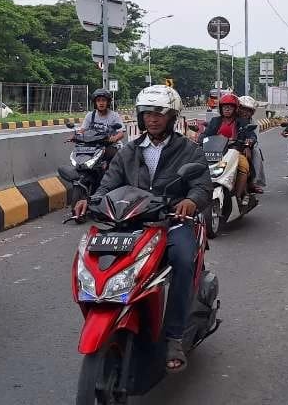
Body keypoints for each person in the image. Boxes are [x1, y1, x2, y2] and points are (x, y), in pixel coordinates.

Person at [72, 85, 211, 373]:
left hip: (172, 222)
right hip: (131, 223)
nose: (152, 119)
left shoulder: (189, 150)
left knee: (184, 261)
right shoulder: (129, 152)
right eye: (147, 113)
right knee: (95, 258)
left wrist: (189, 201)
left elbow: (201, 185)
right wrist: (90, 201)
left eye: (159, 113)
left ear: (172, 116)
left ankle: (173, 336)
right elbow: (108, 184)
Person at [203, 94, 252, 199]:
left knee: (243, 167)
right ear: (221, 109)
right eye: (224, 107)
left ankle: (238, 196)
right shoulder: (215, 121)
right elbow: (206, 134)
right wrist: (199, 140)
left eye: (230, 107)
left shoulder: (242, 122)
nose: (227, 109)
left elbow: (251, 134)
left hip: (235, 151)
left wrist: (249, 141)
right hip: (215, 152)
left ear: (235, 108)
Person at [79, 89, 126, 162]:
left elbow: (121, 133)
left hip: (111, 146)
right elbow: (82, 130)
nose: (101, 103)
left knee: (111, 157)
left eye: (103, 100)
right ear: (95, 103)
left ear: (108, 102)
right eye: (98, 100)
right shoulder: (90, 115)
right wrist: (76, 136)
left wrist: (115, 138)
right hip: (93, 146)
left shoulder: (114, 116)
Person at [237, 95, 266, 194]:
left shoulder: (252, 123)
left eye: (248, 110)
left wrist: (248, 144)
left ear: (252, 112)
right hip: (226, 146)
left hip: (243, 146)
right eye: (243, 109)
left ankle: (253, 182)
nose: (245, 112)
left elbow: (253, 137)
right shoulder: (226, 119)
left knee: (256, 153)